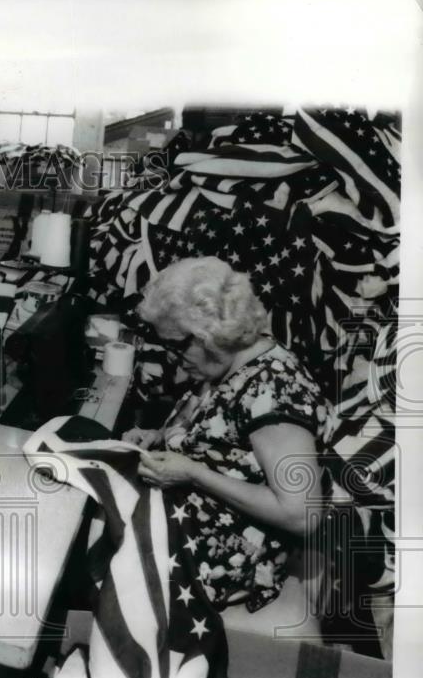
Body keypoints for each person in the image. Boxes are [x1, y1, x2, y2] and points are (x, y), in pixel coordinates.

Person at [123, 256, 331, 612]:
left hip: (217, 568)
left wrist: (193, 474)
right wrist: (158, 436)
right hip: (180, 534)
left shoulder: (274, 389)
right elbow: (221, 443)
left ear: (210, 332)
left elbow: (302, 513)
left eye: (178, 345)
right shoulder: (228, 366)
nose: (175, 358)